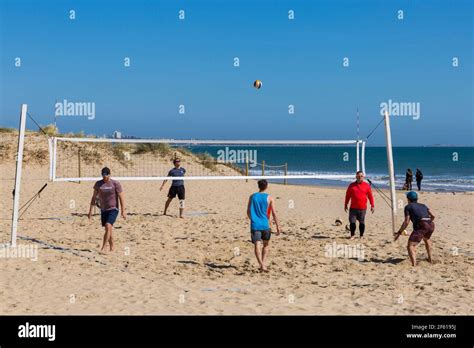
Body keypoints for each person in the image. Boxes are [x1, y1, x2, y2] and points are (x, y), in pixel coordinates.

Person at [88, 167, 126, 253]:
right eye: (103, 176)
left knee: (108, 225)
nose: (105, 178)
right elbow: (93, 197)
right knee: (108, 229)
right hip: (103, 209)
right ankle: (112, 247)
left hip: (113, 208)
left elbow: (121, 197)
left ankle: (104, 247)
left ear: (109, 175)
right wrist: (90, 211)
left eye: (106, 176)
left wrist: (123, 211)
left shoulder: (115, 184)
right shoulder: (98, 184)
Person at [247, 179, 281, 272]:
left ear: (258, 186)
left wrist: (253, 219)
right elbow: (274, 213)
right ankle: (263, 264)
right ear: (266, 186)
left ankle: (261, 265)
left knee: (257, 244)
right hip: (265, 224)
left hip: (255, 225)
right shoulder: (269, 198)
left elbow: (248, 212)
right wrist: (278, 225)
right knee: (266, 244)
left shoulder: (252, 196)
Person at [394, 191, 435, 267]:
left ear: (408, 199)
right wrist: (428, 222)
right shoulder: (423, 205)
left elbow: (406, 221)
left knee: (411, 245)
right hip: (431, 224)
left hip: (422, 224)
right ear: (417, 198)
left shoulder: (408, 207)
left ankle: (414, 265)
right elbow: (433, 216)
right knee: (427, 240)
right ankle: (430, 259)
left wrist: (399, 233)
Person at [344, 171, 375, 239]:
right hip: (353, 208)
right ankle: (352, 235)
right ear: (356, 177)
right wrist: (345, 204)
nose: (360, 177)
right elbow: (347, 196)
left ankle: (361, 236)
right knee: (352, 223)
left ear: (363, 177)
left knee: (361, 223)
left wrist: (372, 205)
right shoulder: (351, 185)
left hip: (362, 208)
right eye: (358, 176)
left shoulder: (366, 185)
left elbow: (370, 196)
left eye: (361, 176)